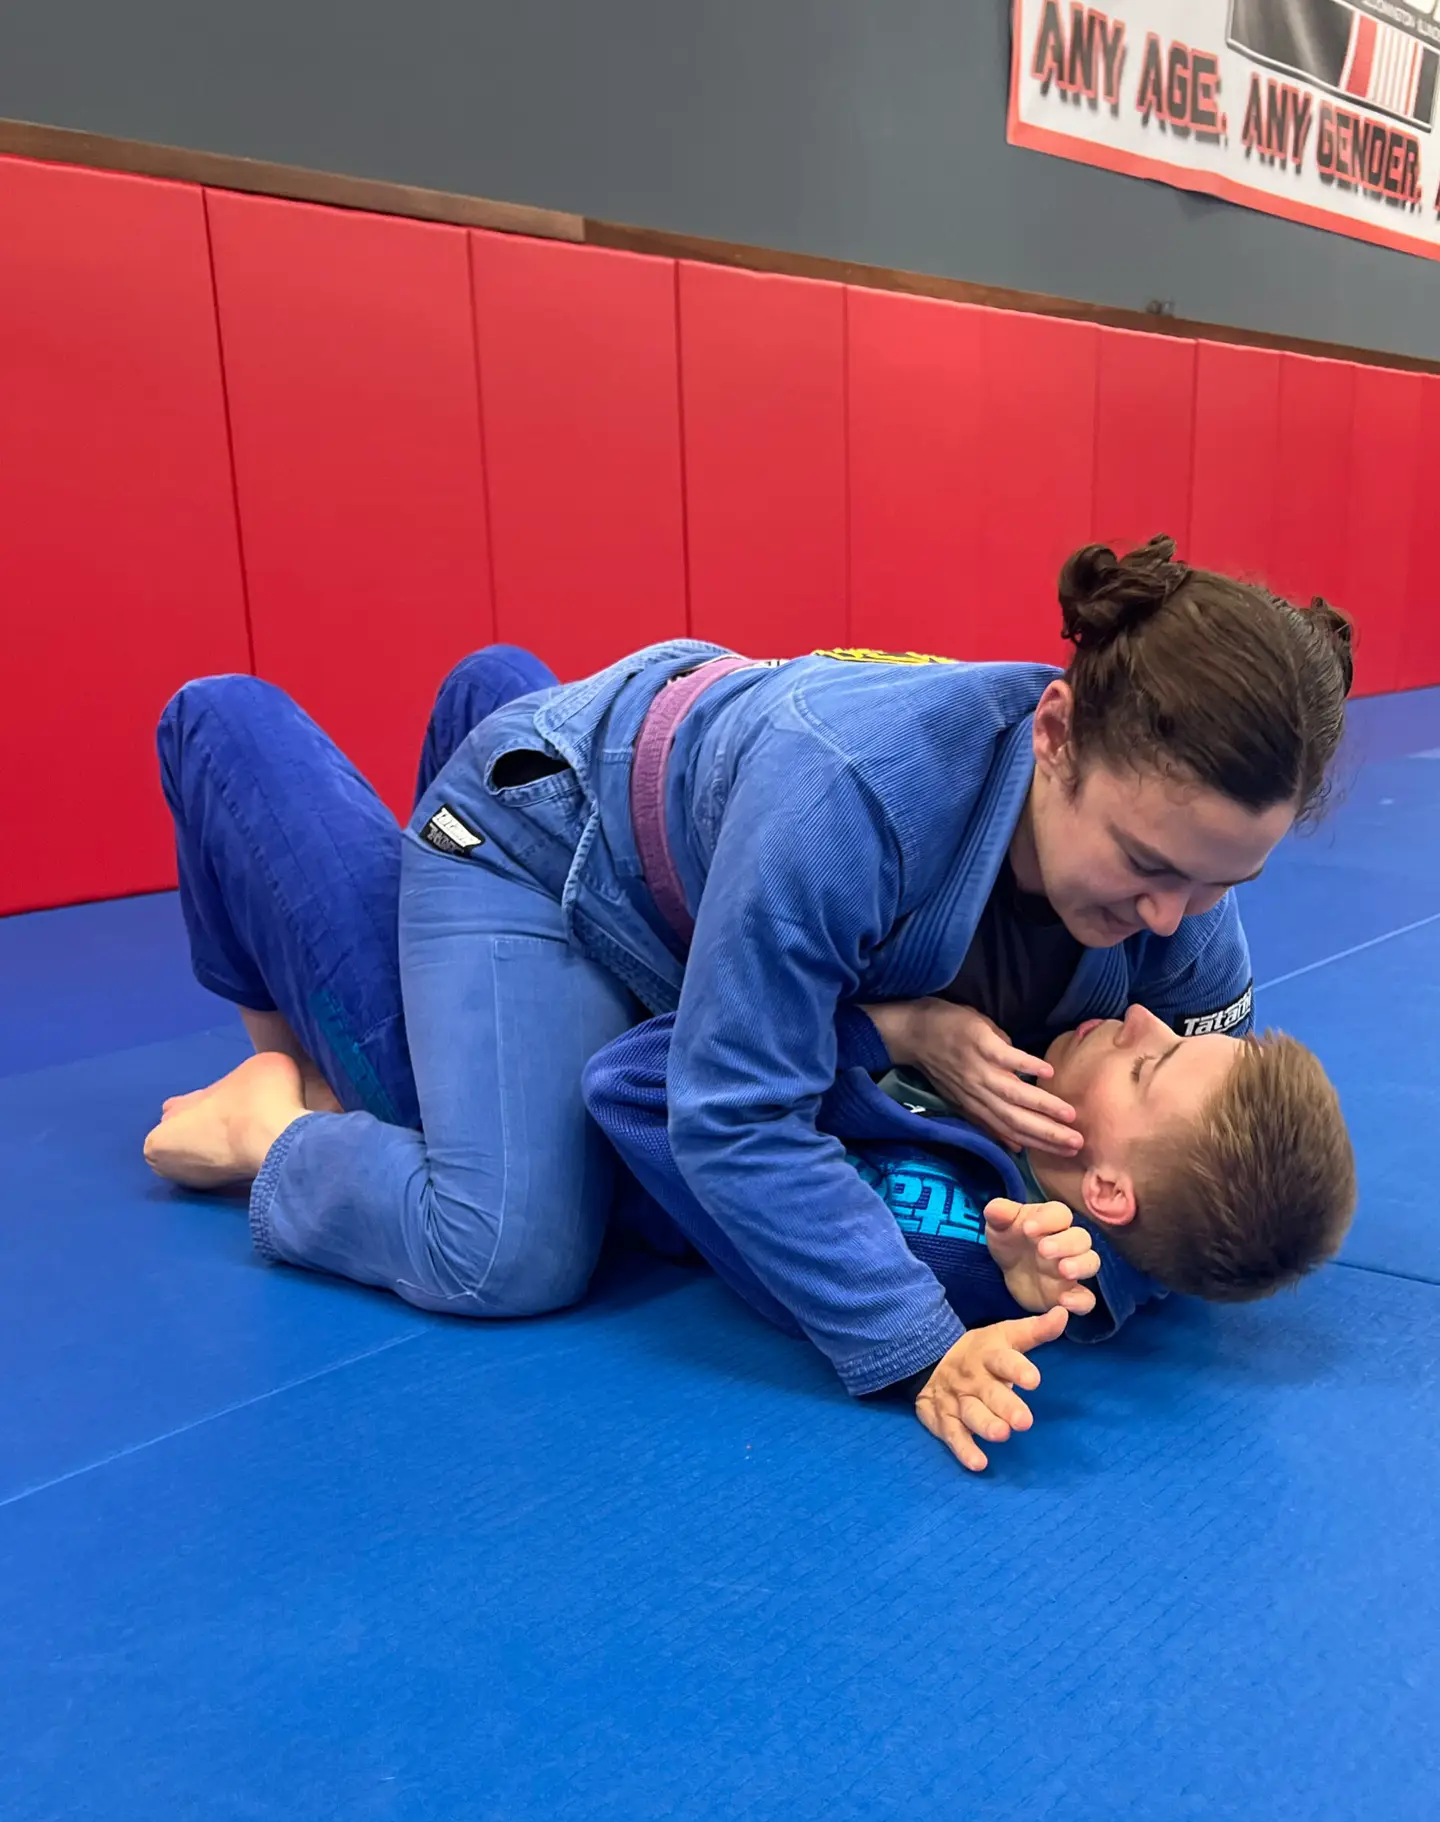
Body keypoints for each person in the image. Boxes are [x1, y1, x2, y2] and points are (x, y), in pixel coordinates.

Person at [142, 535, 1354, 1469]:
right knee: (510, 1244)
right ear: (1055, 734)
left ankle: (502, 699)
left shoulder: (1180, 873)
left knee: (615, 1094)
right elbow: (724, 1114)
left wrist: (1102, 1271)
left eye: (1221, 882)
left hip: (705, 843)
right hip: (557, 844)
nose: (1172, 926)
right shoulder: (856, 801)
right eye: (1149, 869)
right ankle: (273, 1098)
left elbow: (1197, 1132)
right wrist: (922, 1346)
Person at [582, 998, 1357, 1470]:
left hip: (599, 1131)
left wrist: (889, 1030)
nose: (1144, 1021)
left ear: (1109, 1191)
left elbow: (634, 1083)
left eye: (1145, 1069)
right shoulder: (1125, 1234)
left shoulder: (942, 1239)